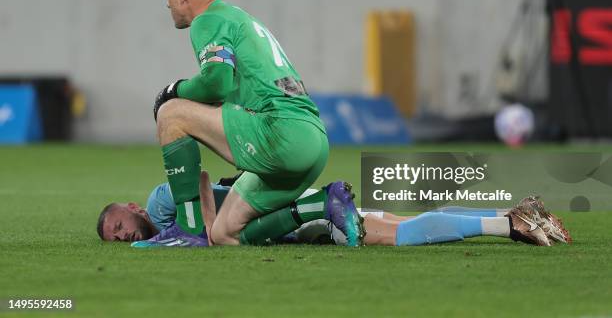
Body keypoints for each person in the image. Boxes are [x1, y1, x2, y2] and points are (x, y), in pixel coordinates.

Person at [141, 0, 363, 247]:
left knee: (171, 113)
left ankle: (188, 228)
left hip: (280, 133)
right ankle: (324, 203)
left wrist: (173, 89)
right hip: (313, 141)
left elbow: (216, 83)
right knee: (223, 234)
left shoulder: (207, 20)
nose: (167, 3)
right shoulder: (238, 18)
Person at [98, 172, 571, 247]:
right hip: (290, 210)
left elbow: (199, 195)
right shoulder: (162, 234)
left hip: (295, 213)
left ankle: (508, 224)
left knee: (390, 236)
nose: (120, 235)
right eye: (113, 237)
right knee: (399, 224)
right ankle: (513, 215)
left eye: (118, 223)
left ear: (134, 207)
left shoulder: (163, 201)